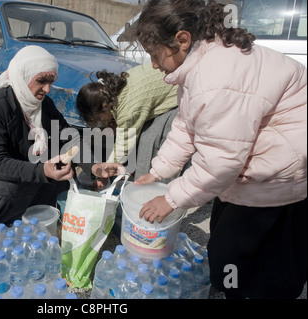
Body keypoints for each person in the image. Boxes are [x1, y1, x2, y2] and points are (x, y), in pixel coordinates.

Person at [131, 0, 307, 299]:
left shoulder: (216, 78)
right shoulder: (202, 62)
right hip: (255, 169)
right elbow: (186, 127)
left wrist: (171, 199)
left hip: (280, 179)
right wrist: (159, 171)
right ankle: (233, 288)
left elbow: (221, 161)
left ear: (181, 40)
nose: (154, 64)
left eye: (154, 54)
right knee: (229, 252)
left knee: (263, 265)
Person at [0, 45, 125, 230]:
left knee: (64, 172)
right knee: (17, 185)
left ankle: (34, 223)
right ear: (23, 75)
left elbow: (69, 138)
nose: (48, 89)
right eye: (41, 81)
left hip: (25, 169)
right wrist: (43, 171)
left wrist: (94, 166)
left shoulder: (43, 105)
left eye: (51, 81)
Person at [76, 63, 179, 178]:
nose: (101, 122)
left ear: (104, 106)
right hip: (177, 81)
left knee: (148, 145)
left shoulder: (127, 108)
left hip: (181, 97)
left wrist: (107, 168)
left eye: (98, 119)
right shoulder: (120, 83)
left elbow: (124, 146)